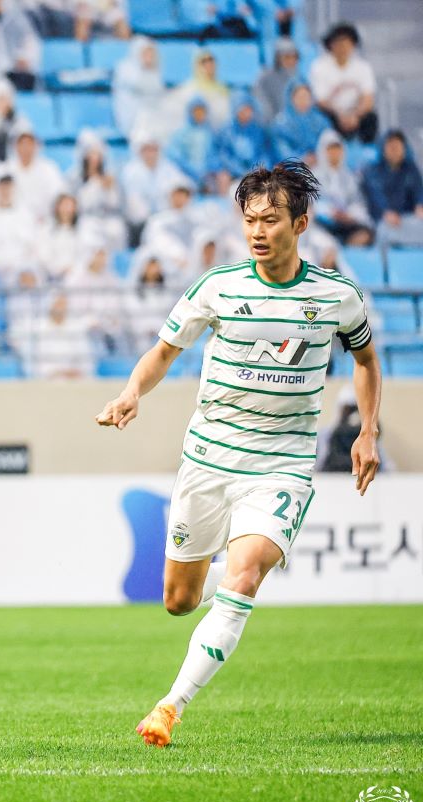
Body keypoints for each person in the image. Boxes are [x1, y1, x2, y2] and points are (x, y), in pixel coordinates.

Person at [95, 160, 380, 748]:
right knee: (179, 600)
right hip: (209, 458)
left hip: (282, 464)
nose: (257, 231)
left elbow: (367, 361)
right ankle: (224, 576)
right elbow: (163, 351)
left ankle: (170, 706)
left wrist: (368, 431)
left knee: (247, 573)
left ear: (300, 223)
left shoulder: (337, 297)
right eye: (249, 220)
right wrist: (131, 392)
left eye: (270, 220)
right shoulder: (218, 286)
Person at [310, 22, 378, 144]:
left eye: (347, 42)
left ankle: (366, 149)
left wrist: (355, 115)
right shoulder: (319, 67)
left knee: (371, 118)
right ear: (330, 45)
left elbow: (368, 98)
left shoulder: (363, 67)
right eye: (338, 43)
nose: (343, 47)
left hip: (356, 113)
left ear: (353, 45)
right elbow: (320, 101)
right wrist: (340, 114)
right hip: (332, 112)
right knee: (319, 119)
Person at [361, 129, 423, 246]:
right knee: (385, 230)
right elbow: (375, 195)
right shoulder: (372, 170)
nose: (395, 150)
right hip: (381, 219)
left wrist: (420, 204)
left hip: (406, 218)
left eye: (398, 146)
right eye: (391, 147)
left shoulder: (411, 169)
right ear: (383, 148)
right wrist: (386, 212)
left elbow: (419, 190)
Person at [312, 129, 373, 246]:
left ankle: (345, 247)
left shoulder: (350, 177)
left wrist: (350, 214)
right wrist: (330, 212)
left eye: (337, 149)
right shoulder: (314, 176)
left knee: (364, 234)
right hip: (324, 223)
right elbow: (311, 204)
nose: (334, 153)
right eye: (330, 149)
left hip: (346, 222)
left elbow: (358, 201)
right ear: (323, 151)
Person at [112, 35, 165, 140]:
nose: (150, 56)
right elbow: (139, 86)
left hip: (151, 118)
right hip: (130, 118)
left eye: (152, 53)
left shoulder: (154, 72)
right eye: (146, 53)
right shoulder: (125, 68)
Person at [271, 82, 330, 164]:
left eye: (307, 97)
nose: (304, 101)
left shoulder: (320, 119)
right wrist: (301, 160)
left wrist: (320, 156)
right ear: (291, 98)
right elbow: (281, 150)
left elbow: (330, 141)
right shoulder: (281, 123)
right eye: (299, 97)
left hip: (320, 163)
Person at [170, 49, 230, 129]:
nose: (209, 65)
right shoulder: (189, 88)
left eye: (211, 61)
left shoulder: (223, 88)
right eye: (204, 62)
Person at [252, 37, 300, 124]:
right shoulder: (264, 77)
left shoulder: (298, 77)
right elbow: (261, 104)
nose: (291, 61)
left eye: (294, 57)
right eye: (287, 57)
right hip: (272, 123)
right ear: (277, 58)